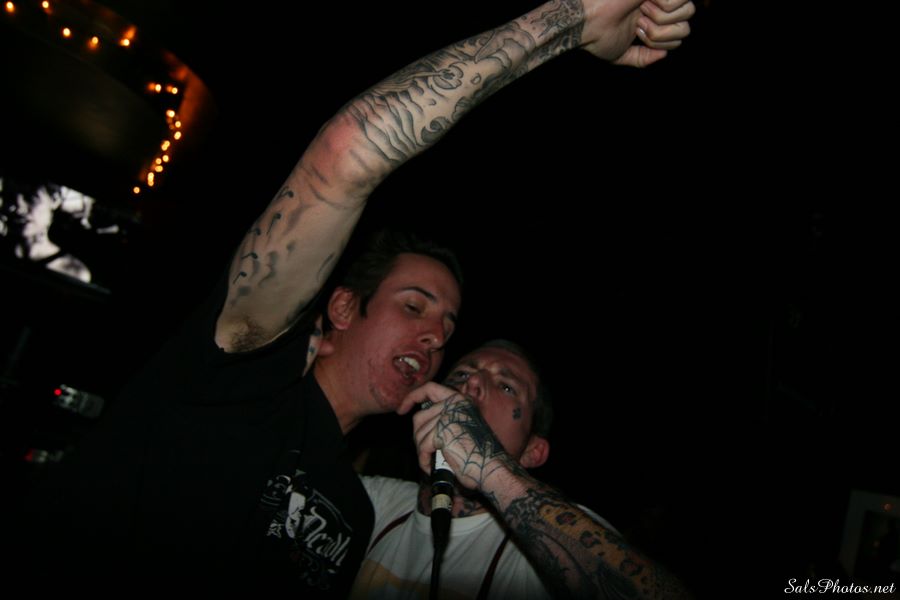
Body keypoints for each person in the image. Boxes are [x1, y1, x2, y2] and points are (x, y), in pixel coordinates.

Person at [15, 0, 695, 594]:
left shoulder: (357, 510)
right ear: (341, 309)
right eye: (414, 305)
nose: (437, 337)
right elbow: (346, 158)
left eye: (447, 325)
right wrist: (571, 19)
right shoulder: (243, 367)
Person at [352, 340, 694, 599]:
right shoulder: (377, 505)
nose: (472, 383)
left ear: (533, 451)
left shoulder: (541, 552)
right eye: (462, 374)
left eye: (506, 386)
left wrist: (489, 467)